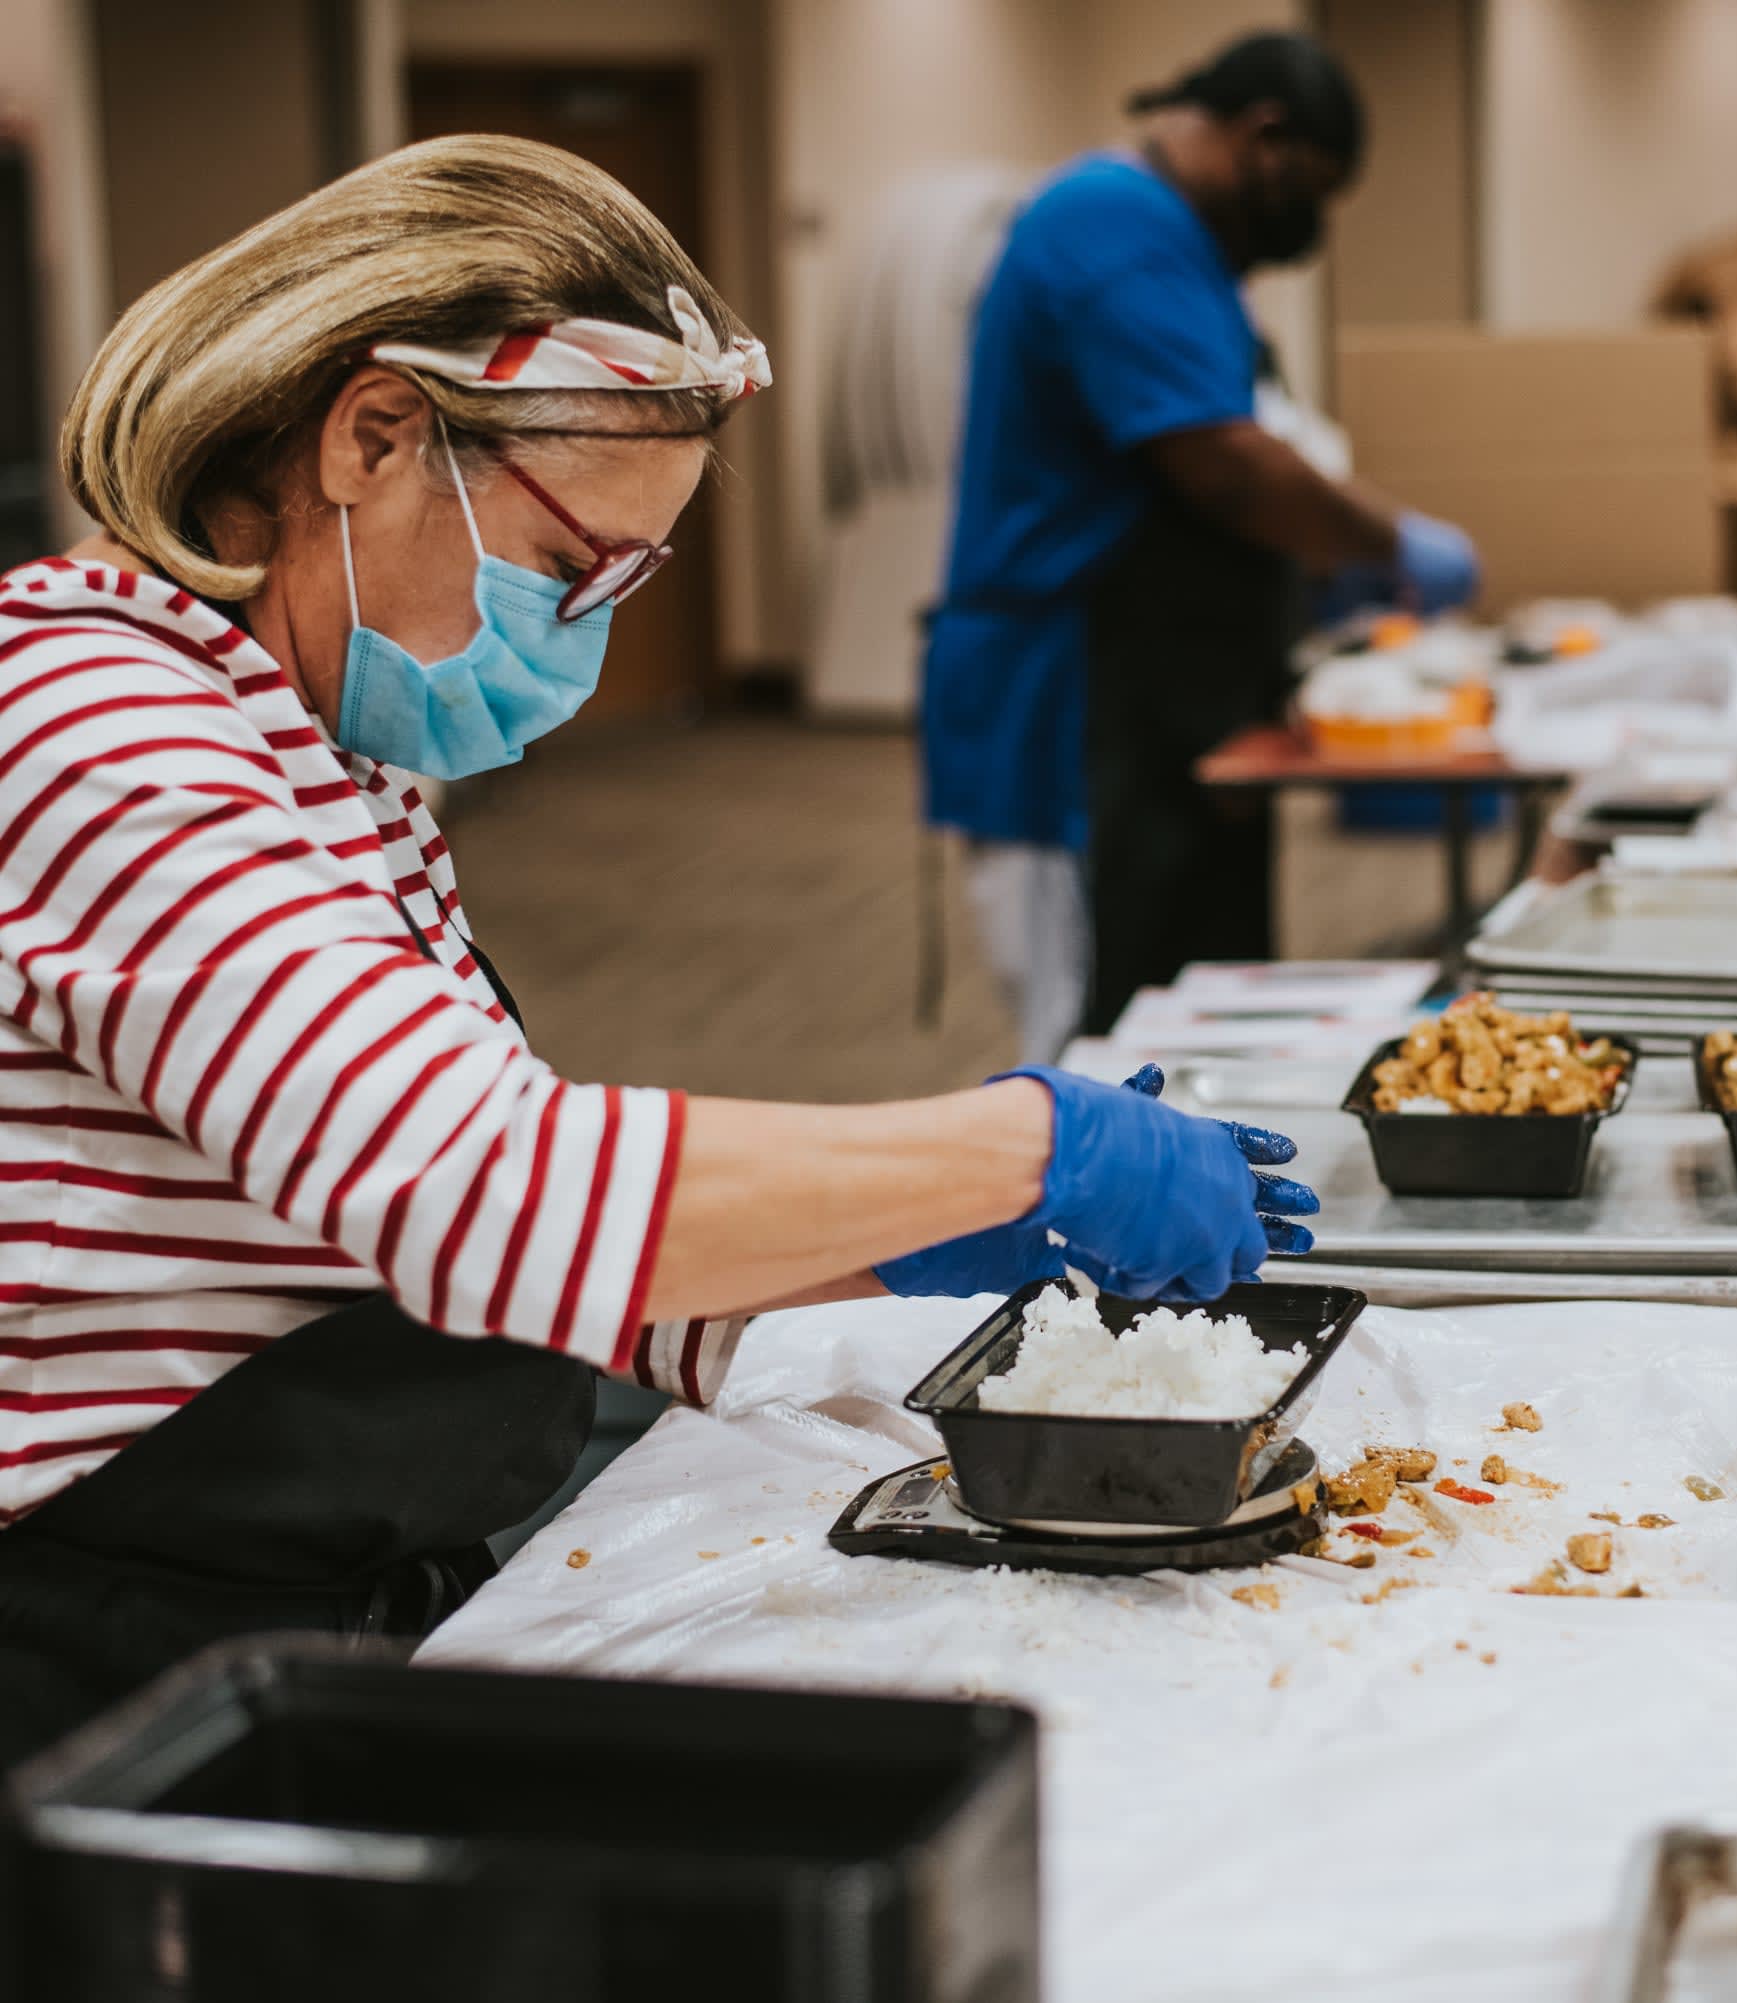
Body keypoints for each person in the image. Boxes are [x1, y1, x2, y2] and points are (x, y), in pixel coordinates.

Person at [0, 137, 1319, 1767]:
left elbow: (480, 1247)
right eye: (568, 569)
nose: (587, 638)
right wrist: (1019, 1145)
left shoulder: (326, 763)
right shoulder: (95, 727)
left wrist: (908, 1234)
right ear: (373, 435)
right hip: (86, 1658)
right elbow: (476, 1187)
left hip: (294, 1595)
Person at [923, 32, 1481, 1060]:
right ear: (1265, 137)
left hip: (1158, 698)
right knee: (1097, 1037)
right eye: (1311, 187)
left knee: (1191, 1015)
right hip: (1069, 707)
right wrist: (1391, 540)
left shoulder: (1171, 235)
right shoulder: (1114, 223)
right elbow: (1223, 463)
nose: (1306, 223)